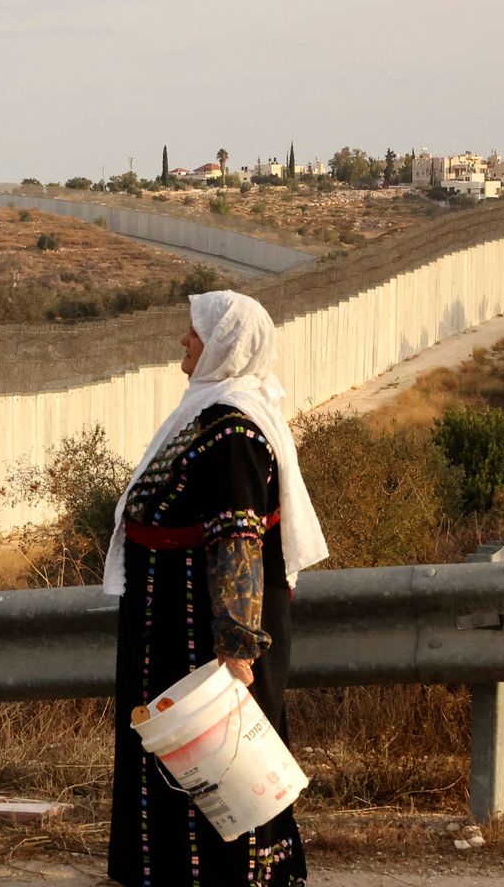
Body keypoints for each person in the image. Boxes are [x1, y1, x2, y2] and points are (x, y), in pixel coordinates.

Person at [103, 290, 328, 887]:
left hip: (200, 626)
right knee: (177, 750)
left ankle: (239, 879)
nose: (184, 340)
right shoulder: (206, 416)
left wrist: (235, 645)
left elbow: (238, 541)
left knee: (221, 755)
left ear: (224, 346)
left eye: (194, 332)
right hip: (167, 618)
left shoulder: (234, 433)